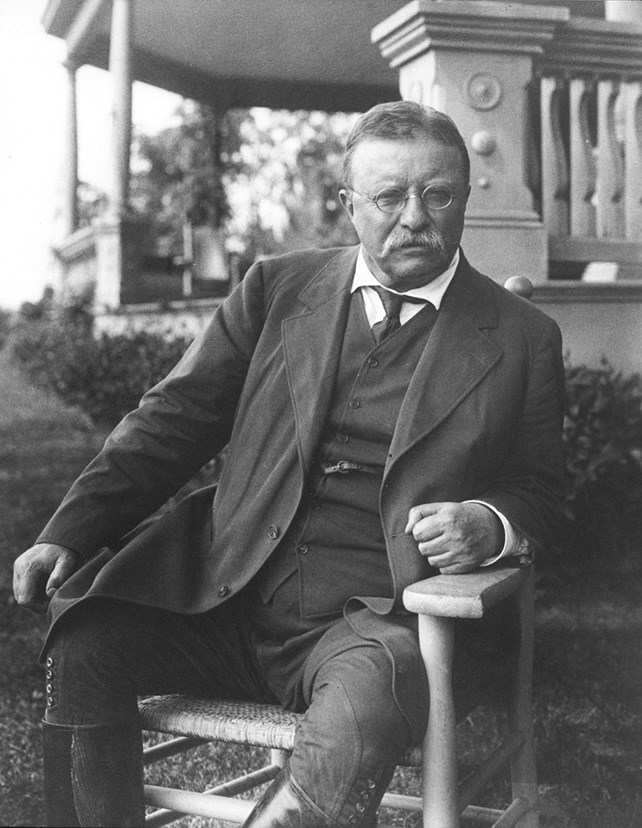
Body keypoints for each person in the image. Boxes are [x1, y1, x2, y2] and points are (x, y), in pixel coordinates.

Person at [13, 100, 565, 828]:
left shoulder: (521, 336)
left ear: (465, 196)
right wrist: (69, 532)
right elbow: (171, 422)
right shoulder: (280, 288)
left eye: (437, 195)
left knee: (379, 686)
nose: (414, 218)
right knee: (88, 641)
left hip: (379, 620)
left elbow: (544, 496)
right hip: (231, 596)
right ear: (348, 205)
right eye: (389, 197)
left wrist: (490, 525)